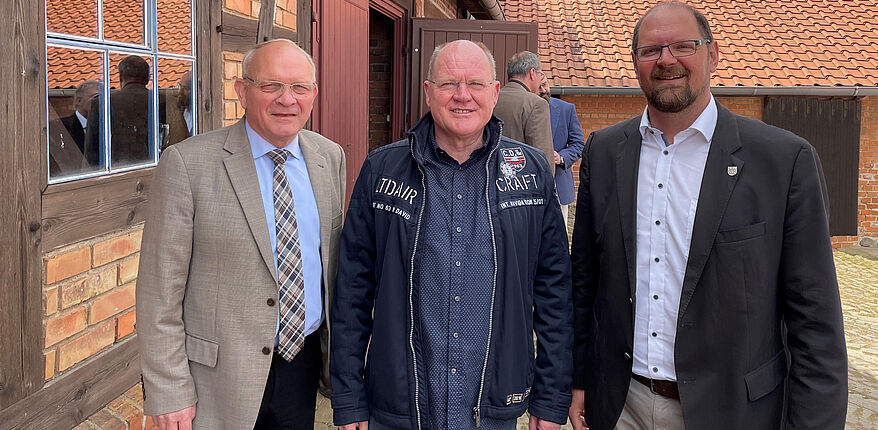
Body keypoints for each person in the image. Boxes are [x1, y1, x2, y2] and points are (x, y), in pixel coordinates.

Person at [568, 2, 848, 429]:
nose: (666, 60)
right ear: (635, 62)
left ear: (712, 54)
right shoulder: (604, 151)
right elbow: (585, 282)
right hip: (621, 406)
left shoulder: (784, 161)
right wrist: (576, 380)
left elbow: (816, 321)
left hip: (732, 412)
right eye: (651, 50)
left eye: (684, 46)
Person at [331, 40, 572, 430]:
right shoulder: (382, 170)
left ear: (494, 92)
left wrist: (551, 397)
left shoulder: (532, 173)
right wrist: (348, 397)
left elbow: (555, 293)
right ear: (428, 92)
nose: (462, 95)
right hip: (399, 409)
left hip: (494, 409)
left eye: (475, 83)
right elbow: (351, 291)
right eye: (448, 84)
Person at [137, 39, 346, 430]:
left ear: (314, 94)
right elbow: (158, 292)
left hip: (301, 366)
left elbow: (329, 266)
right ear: (242, 91)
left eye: (299, 87)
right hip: (217, 380)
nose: (287, 99)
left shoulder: (329, 157)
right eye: (271, 85)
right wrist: (169, 389)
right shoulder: (188, 164)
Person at [84, 55, 152, 167]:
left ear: (120, 77)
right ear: (148, 78)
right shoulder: (162, 100)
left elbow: (92, 150)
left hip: (116, 170)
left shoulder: (102, 102)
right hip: (156, 168)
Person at [538, 76, 584, 233]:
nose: (543, 90)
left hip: (559, 186)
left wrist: (561, 157)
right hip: (532, 188)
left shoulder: (566, 109)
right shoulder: (524, 109)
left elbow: (578, 144)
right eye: (539, 87)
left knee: (559, 238)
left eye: (545, 85)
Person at [493, 51, 554, 168]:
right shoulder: (536, 104)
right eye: (540, 74)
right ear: (532, 73)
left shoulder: (492, 99)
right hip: (522, 176)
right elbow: (543, 157)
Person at [60, 80, 100, 154]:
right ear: (79, 100)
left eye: (103, 98)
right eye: (96, 97)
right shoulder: (62, 127)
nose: (99, 102)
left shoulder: (106, 127)